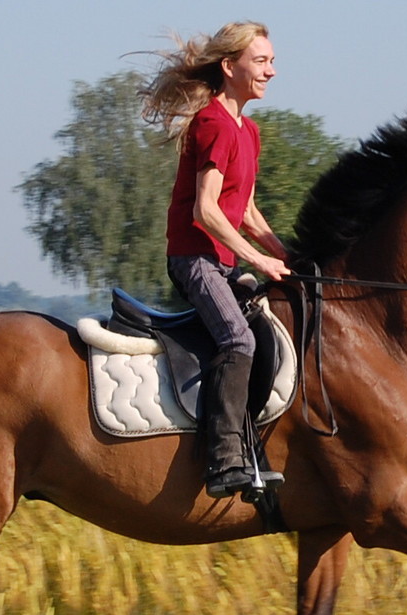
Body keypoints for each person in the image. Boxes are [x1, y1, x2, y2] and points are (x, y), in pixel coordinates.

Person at [140, 21, 292, 498]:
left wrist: (289, 256)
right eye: (262, 61)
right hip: (196, 260)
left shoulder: (248, 131)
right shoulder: (212, 123)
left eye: (271, 61)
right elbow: (205, 211)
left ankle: (253, 444)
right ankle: (223, 461)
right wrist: (258, 261)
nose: (272, 70)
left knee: (271, 328)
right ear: (230, 67)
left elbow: (244, 208)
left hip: (223, 261)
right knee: (238, 340)